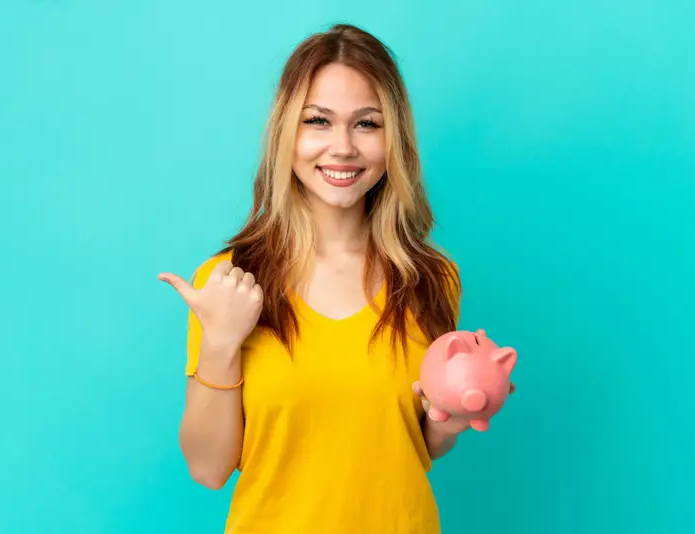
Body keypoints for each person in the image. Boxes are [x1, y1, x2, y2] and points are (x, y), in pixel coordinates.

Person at [158, 23, 504, 534]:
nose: (342, 147)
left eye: (367, 124)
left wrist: (449, 418)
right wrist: (220, 342)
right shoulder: (231, 279)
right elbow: (208, 470)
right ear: (287, 134)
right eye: (318, 121)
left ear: (395, 140)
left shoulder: (433, 277)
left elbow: (418, 446)